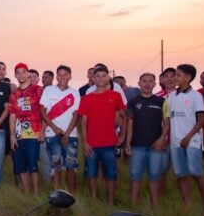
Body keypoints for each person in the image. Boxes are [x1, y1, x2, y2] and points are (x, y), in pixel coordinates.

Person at [78, 66, 126, 204]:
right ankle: (93, 200)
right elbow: (83, 123)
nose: (100, 79)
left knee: (111, 174)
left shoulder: (115, 96)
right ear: (93, 78)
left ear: (108, 77)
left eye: (103, 76)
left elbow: (124, 117)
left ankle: (110, 201)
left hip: (110, 143)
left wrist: (122, 137)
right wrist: (85, 143)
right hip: (91, 144)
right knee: (91, 174)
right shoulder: (86, 98)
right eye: (97, 76)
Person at [166, 64, 204, 207]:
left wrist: (188, 137)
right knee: (181, 174)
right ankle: (187, 204)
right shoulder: (171, 95)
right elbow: (167, 118)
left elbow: (202, 119)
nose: (175, 77)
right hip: (175, 142)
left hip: (191, 141)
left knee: (196, 173)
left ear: (188, 78)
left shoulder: (195, 96)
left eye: (178, 75)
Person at [124, 73, 168, 206]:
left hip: (155, 146)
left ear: (155, 84)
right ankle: (134, 205)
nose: (147, 84)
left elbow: (167, 123)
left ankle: (155, 206)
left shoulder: (162, 101)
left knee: (154, 177)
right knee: (135, 176)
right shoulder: (132, 102)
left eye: (150, 81)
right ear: (139, 83)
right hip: (137, 146)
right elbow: (129, 123)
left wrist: (161, 139)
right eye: (144, 81)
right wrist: (128, 143)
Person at [39, 65, 81, 193]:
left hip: (71, 135)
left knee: (71, 166)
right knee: (56, 165)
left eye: (65, 74)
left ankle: (72, 194)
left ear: (70, 77)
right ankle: (57, 194)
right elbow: (42, 111)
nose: (62, 77)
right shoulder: (49, 90)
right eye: (60, 74)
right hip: (52, 134)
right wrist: (55, 128)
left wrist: (66, 135)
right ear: (56, 77)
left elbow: (76, 115)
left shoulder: (75, 92)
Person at [8, 63, 43, 193]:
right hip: (18, 134)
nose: (21, 75)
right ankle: (27, 193)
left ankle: (35, 194)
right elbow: (12, 116)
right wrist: (11, 136)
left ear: (28, 73)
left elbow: (44, 112)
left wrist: (42, 130)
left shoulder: (38, 90)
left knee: (33, 165)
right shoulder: (14, 94)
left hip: (34, 133)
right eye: (18, 72)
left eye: (24, 72)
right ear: (15, 75)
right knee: (21, 166)